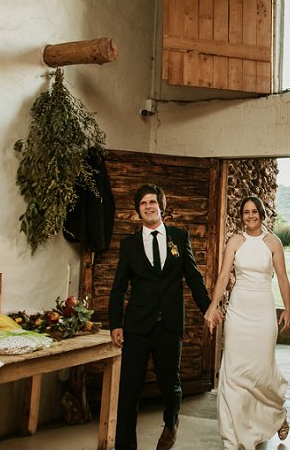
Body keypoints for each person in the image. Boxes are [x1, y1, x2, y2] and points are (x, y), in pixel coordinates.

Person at [109, 183, 213, 450]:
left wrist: (209, 309)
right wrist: (116, 324)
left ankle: (171, 422)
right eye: (143, 203)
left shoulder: (179, 237)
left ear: (161, 206)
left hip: (169, 325)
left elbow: (193, 277)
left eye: (152, 202)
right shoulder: (130, 244)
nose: (148, 206)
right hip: (136, 327)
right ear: (138, 210)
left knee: (170, 385)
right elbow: (119, 287)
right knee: (128, 392)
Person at [204, 195, 290, 449]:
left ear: (261, 214)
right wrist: (213, 306)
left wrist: (287, 309)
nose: (251, 216)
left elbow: (283, 279)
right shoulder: (235, 241)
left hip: (263, 311)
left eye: (255, 211)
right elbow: (223, 277)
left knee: (261, 371)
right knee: (234, 373)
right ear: (241, 216)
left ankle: (277, 415)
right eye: (246, 212)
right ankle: (235, 437)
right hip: (239, 311)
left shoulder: (273, 242)